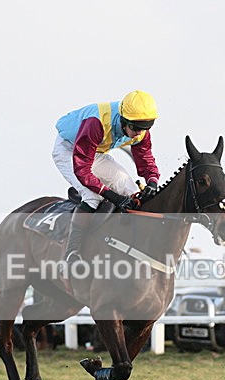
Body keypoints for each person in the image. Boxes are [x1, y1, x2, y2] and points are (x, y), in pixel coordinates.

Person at [53, 90, 160, 265]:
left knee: (132, 191)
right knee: (93, 196)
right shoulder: (96, 123)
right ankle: (71, 253)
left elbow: (145, 158)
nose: (138, 134)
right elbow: (83, 171)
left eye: (145, 129)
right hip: (69, 149)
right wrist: (113, 196)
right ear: (124, 120)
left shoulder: (139, 129)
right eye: (135, 128)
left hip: (94, 151)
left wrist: (152, 181)